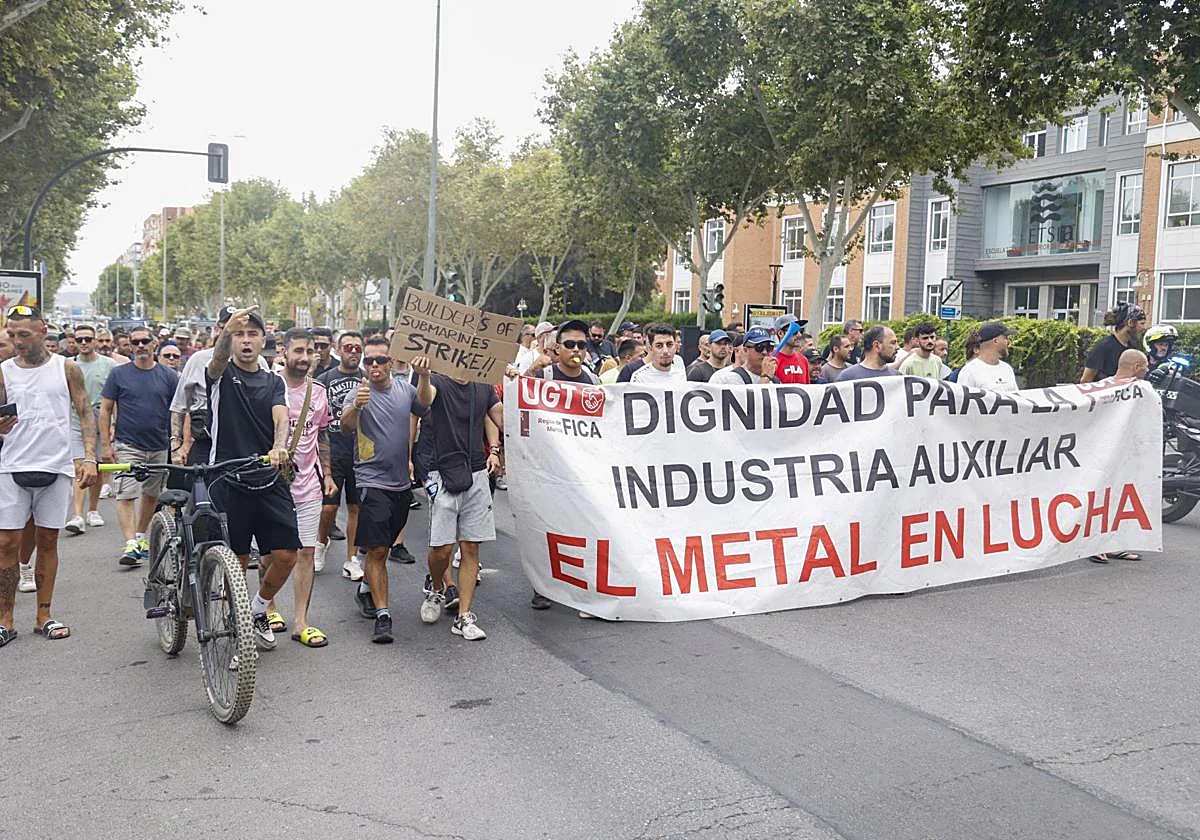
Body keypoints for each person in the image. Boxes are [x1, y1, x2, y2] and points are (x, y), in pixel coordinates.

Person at [0, 305, 99, 646]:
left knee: (47, 541)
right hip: (12, 466)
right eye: (12, 335)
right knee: (6, 544)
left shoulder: (66, 368)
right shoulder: (3, 371)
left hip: (56, 466)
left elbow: (85, 412)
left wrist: (89, 457)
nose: (17, 342)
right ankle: (5, 619)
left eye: (23, 335)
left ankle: (44, 615)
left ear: (43, 329)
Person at [205, 305, 300, 652]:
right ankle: (237, 627)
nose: (245, 341)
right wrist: (225, 331)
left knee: (287, 553)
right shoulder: (219, 375)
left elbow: (282, 418)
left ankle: (258, 609)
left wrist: (279, 448)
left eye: (252, 335)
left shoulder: (274, 381)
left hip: (268, 475)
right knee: (238, 562)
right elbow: (215, 361)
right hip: (229, 479)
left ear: (264, 341)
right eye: (239, 335)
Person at [340, 338, 431, 643]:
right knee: (377, 550)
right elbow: (345, 427)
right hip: (371, 480)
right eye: (369, 361)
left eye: (381, 360)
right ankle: (383, 616)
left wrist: (426, 376)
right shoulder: (358, 393)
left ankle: (366, 587)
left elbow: (426, 405)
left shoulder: (405, 388)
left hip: (401, 483)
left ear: (392, 362)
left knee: (386, 545)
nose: (374, 366)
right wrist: (356, 406)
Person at [414, 364, 504, 641]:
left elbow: (499, 417)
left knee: (471, 547)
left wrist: (495, 449)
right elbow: (424, 400)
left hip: (476, 472)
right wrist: (424, 375)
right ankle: (436, 583)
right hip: (441, 472)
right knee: (441, 550)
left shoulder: (483, 384)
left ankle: (464, 615)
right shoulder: (438, 381)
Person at [265, 328, 335, 648]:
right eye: (299, 352)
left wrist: (328, 475)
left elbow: (322, 435)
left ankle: (301, 622)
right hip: (271, 486)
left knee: (306, 552)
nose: (305, 358)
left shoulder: (318, 391)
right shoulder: (268, 387)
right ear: (284, 352)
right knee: (273, 554)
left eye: (309, 352)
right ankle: (268, 607)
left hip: (309, 484)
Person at [99, 325, 179, 566]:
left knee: (151, 494)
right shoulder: (119, 374)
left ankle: (141, 536)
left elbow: (177, 411)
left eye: (145, 341)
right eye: (135, 343)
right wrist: (106, 445)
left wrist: (177, 444)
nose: (141, 346)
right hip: (127, 444)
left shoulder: (168, 375)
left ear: (154, 343)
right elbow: (105, 409)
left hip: (158, 445)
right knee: (125, 493)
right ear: (130, 347)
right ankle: (130, 541)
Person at [315, 330, 365, 579]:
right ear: (338, 348)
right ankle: (320, 544)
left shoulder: (368, 380)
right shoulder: (324, 380)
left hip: (359, 453)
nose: (353, 351)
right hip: (332, 450)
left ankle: (351, 558)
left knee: (356, 507)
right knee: (328, 508)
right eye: (348, 347)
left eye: (357, 348)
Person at [64, 323, 115, 535]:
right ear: (73, 342)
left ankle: (93, 510)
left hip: (100, 419)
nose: (83, 343)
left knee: (95, 465)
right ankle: (77, 515)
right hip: (75, 420)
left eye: (87, 339)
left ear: (95, 341)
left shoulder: (110, 365)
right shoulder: (67, 365)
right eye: (79, 340)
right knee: (79, 466)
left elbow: (115, 397)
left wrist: (114, 425)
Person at [1082, 303, 1147, 382]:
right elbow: (1085, 380)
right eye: (1142, 323)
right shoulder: (1103, 347)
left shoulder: (1133, 347)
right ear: (1130, 323)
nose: (1144, 328)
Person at [525, 320, 602, 384]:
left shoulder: (594, 382)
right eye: (569, 344)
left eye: (581, 345)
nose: (576, 349)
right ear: (557, 348)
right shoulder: (542, 376)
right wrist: (529, 373)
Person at [955, 322, 1018, 392]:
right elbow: (961, 400)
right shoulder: (969, 371)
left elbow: (1017, 399)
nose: (1009, 342)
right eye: (1005, 338)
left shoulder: (1007, 369)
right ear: (996, 341)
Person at [616, 323, 686, 383]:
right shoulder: (639, 377)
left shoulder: (681, 374)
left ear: (676, 346)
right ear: (650, 348)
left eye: (669, 345)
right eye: (659, 346)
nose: (665, 351)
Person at [710, 327, 780, 385]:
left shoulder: (774, 380)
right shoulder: (732, 378)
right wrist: (765, 377)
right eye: (759, 347)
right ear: (745, 350)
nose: (764, 352)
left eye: (768, 348)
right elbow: (753, 401)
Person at [835, 326, 901, 380]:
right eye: (893, 343)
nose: (897, 347)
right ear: (877, 345)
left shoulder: (898, 378)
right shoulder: (847, 377)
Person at [772, 315, 811, 384]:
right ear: (781, 333)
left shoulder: (803, 360)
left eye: (800, 331)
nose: (799, 335)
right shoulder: (771, 360)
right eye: (794, 331)